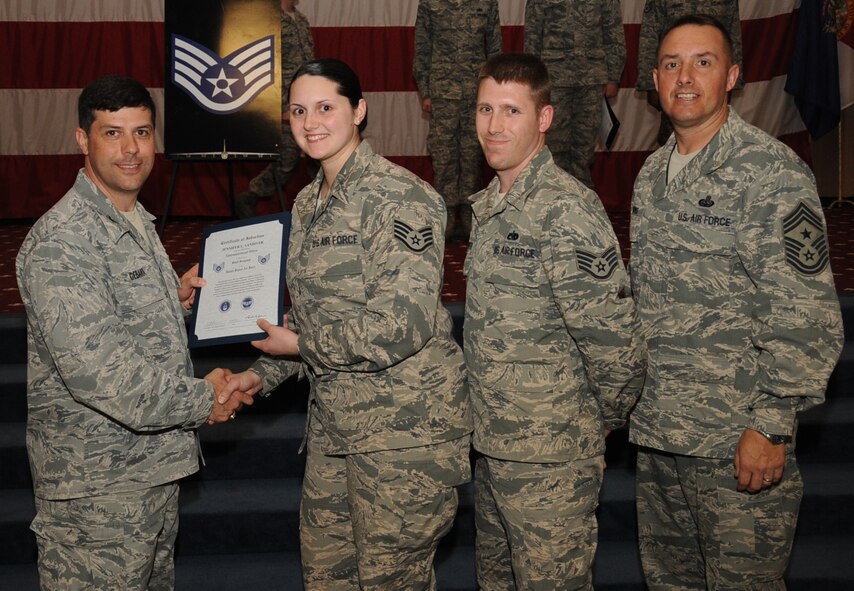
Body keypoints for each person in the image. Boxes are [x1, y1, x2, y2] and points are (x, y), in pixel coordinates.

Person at [220, 58, 472, 590]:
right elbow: (309, 323)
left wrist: (301, 344)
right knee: (326, 579)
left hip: (402, 438)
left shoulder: (402, 198)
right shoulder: (310, 202)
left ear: (359, 110)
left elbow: (401, 325)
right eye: (298, 110)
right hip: (335, 433)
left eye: (326, 107)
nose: (311, 122)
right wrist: (258, 377)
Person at [15, 75, 255, 590]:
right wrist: (203, 398)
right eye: (112, 133)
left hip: (149, 476)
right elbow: (104, 376)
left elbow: (125, 321)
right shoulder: (62, 242)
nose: (131, 150)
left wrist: (178, 300)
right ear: (83, 139)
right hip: (95, 496)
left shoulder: (135, 220)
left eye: (142, 133)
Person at [628, 15, 843, 589]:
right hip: (660, 437)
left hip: (734, 440)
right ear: (655, 79)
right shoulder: (651, 175)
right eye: (672, 64)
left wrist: (772, 427)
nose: (686, 77)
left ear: (733, 76)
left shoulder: (772, 173)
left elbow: (806, 313)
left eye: (704, 62)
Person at [465, 52, 644, 590]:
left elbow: (615, 345)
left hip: (552, 458)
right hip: (493, 448)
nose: (494, 126)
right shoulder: (492, 205)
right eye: (485, 109)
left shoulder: (566, 210)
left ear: (544, 118)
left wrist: (594, 428)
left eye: (512, 112)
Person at [413, 0, 503, 241]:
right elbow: (422, 48)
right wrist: (426, 91)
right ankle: (447, 212)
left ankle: (469, 211)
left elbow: (495, 47)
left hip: (478, 92)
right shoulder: (430, 3)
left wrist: (494, 90)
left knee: (473, 153)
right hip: (443, 90)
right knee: (444, 155)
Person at [524, 0, 625, 189]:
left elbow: (614, 33)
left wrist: (613, 77)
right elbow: (532, 36)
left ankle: (581, 207)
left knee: (584, 151)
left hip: (591, 81)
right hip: (553, 81)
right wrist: (533, 80)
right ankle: (552, 203)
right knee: (554, 148)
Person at [235, 0, 315, 218]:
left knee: (317, 156)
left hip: (306, 100)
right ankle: (250, 196)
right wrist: (278, 107)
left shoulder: (301, 20)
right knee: (287, 161)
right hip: (282, 103)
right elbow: (261, 68)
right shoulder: (268, 20)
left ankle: (324, 204)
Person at [636, 0, 743, 147]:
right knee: (672, 139)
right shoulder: (654, 165)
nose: (685, 78)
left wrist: (730, 81)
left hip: (711, 78)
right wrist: (650, 84)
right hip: (672, 76)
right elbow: (650, 34)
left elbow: (733, 34)